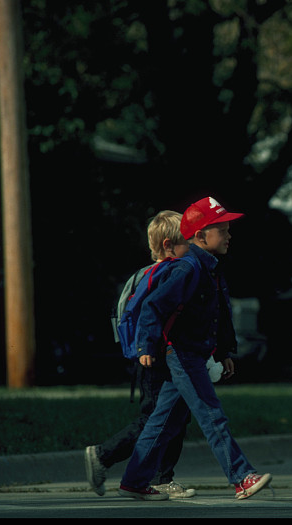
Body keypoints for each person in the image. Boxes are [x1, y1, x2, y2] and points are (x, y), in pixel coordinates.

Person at [117, 197, 272, 501]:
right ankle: (241, 476)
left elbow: (221, 313)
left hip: (194, 354)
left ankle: (134, 480)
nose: (229, 236)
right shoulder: (187, 268)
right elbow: (153, 306)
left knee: (164, 420)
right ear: (201, 236)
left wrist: (225, 351)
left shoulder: (210, 267)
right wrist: (145, 344)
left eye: (228, 230)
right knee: (211, 414)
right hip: (182, 354)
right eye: (222, 231)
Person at [85, 210, 195, 498]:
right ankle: (103, 455)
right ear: (169, 245)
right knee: (154, 418)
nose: (192, 247)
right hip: (156, 358)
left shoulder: (145, 274)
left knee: (175, 417)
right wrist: (147, 347)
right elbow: (152, 314)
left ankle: (161, 477)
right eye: (187, 242)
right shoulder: (166, 275)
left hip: (157, 356)